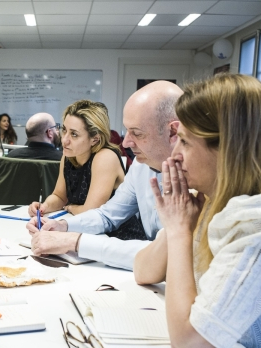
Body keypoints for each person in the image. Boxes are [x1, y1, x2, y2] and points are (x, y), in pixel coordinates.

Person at [134, 74, 261, 348]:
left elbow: (189, 341)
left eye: (186, 142)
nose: (175, 155)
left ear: (229, 150)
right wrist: (180, 222)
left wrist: (180, 232)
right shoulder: (212, 199)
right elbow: (144, 271)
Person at [26, 81, 183, 271]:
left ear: (173, 131)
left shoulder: (197, 177)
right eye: (127, 131)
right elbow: (108, 215)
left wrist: (75, 241)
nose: (125, 143)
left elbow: (164, 253)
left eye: (137, 133)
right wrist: (62, 225)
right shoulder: (141, 167)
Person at [27, 100, 125, 217]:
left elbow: (91, 212)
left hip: (115, 233)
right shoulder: (69, 156)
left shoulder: (105, 158)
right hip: (87, 228)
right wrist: (44, 206)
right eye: (64, 130)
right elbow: (59, 196)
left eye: (74, 134)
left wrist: (70, 207)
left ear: (95, 139)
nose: (64, 140)